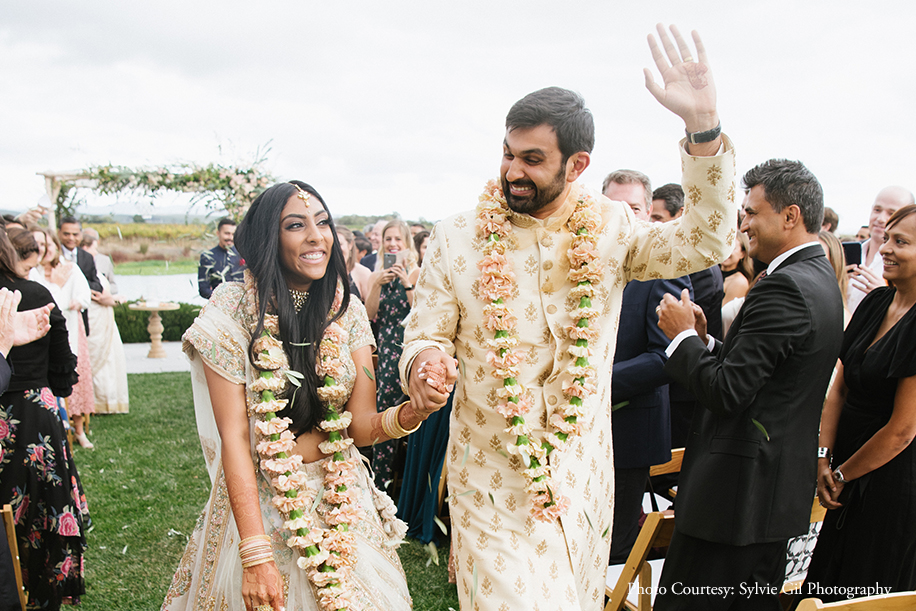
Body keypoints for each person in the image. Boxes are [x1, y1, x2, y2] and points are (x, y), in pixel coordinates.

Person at [400, 25, 736, 610]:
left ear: (577, 164)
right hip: (490, 478)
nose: (512, 171)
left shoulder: (612, 228)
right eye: (507, 152)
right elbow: (424, 332)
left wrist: (703, 130)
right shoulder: (456, 238)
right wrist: (424, 363)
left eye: (532, 159)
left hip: (580, 480)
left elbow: (705, 241)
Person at [162, 181, 419, 611]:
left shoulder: (347, 308)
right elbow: (235, 440)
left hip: (343, 497)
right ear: (269, 238)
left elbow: (359, 426)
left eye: (322, 222)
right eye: (296, 225)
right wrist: (256, 554)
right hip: (266, 499)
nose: (317, 236)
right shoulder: (233, 307)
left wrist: (412, 411)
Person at [654, 159, 844, 610]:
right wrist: (704, 343)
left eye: (752, 212)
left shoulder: (786, 287)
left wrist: (680, 338)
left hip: (734, 501)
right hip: (766, 500)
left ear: (790, 216)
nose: (743, 222)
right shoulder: (819, 279)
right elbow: (771, 376)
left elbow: (728, 393)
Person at [799, 205, 916, 603]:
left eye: (901, 242)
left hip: (890, 482)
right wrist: (822, 458)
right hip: (843, 469)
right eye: (886, 238)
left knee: (866, 587)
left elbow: (902, 430)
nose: (885, 248)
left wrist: (842, 475)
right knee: (825, 583)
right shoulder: (875, 303)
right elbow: (839, 389)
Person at [602, 170, 690, 564]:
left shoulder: (662, 268)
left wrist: (598, 382)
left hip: (630, 430)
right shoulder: (583, 264)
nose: (621, 215)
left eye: (632, 208)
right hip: (576, 430)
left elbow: (667, 356)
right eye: (612, 205)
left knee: (614, 544)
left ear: (648, 212)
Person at [0, 228, 87, 611]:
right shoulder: (35, 294)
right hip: (35, 415)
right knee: (41, 512)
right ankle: (41, 596)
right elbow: (65, 371)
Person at [365, 220, 420, 489]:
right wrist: (378, 285)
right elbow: (368, 315)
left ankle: (406, 485)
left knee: (412, 413)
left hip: (409, 348)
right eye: (388, 239)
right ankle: (380, 480)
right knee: (384, 411)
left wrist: (405, 282)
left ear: (406, 243)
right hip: (386, 350)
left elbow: (418, 315)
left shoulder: (418, 272)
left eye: (398, 239)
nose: (392, 244)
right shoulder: (376, 275)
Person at [35, 229, 96, 449]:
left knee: (74, 381)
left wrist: (79, 301)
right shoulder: (33, 273)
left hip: (70, 328)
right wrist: (58, 288)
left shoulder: (70, 268)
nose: (45, 250)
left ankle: (79, 431)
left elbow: (84, 294)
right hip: (43, 334)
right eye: (40, 246)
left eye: (48, 245)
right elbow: (50, 304)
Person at [80, 230, 130, 414]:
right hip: (93, 314)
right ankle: (92, 400)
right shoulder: (79, 265)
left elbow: (112, 283)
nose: (90, 251)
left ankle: (110, 399)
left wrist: (113, 297)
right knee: (94, 355)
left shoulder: (103, 261)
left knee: (111, 357)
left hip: (105, 315)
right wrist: (105, 299)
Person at [847, 186, 914, 314]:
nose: (881, 219)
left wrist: (886, 296)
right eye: (877, 210)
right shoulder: (847, 252)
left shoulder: (904, 265)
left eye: (891, 213)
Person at [57, 217, 103, 335]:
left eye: (75, 234)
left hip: (80, 316)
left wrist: (80, 287)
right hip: (59, 315)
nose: (71, 238)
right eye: (66, 234)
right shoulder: (54, 255)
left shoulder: (87, 257)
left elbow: (97, 285)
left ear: (81, 235)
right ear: (59, 233)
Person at [197, 217, 244, 299]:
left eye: (233, 234)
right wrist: (222, 299)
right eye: (227, 233)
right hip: (219, 307)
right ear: (218, 233)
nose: (230, 237)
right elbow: (204, 289)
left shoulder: (243, 254)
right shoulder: (207, 257)